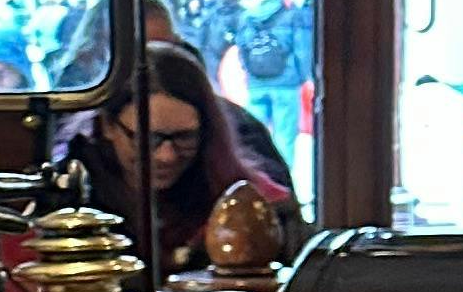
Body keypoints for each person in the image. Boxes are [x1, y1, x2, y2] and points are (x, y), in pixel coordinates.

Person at [58, 41, 306, 275]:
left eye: (185, 137)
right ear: (107, 126)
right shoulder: (67, 199)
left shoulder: (252, 202)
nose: (167, 155)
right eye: (149, 139)